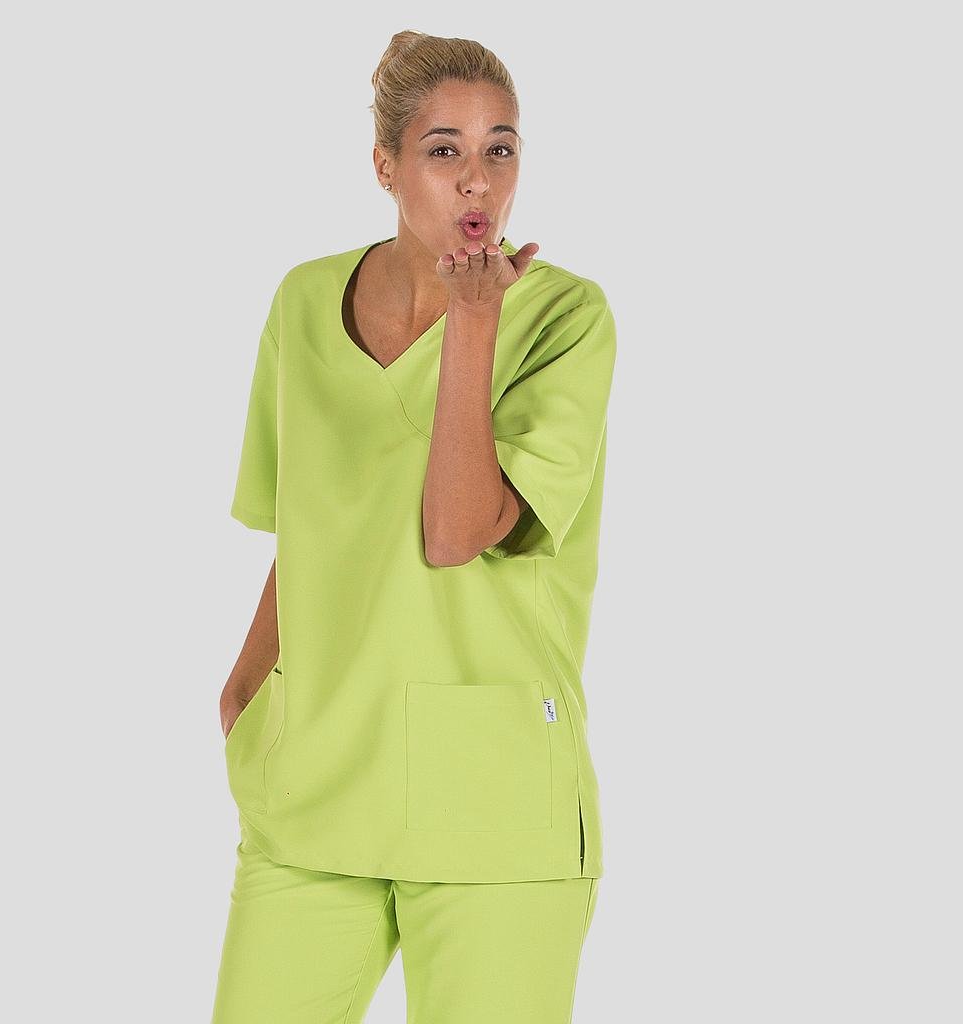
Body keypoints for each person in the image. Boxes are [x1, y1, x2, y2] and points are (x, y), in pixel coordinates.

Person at [212, 29, 618, 1024]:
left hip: (495, 808)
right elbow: (306, 526)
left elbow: (455, 532)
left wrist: (473, 323)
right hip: (316, 788)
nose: (478, 179)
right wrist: (246, 697)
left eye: (500, 148)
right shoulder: (304, 302)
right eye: (444, 150)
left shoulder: (565, 319)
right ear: (385, 165)